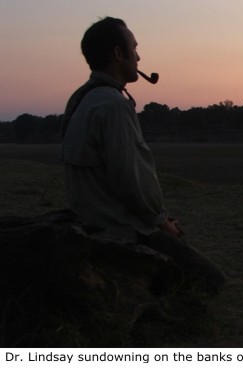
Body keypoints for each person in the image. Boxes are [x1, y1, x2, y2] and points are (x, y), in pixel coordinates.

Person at [60, 17, 224, 295]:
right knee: (209, 278)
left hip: (88, 218)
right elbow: (132, 180)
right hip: (114, 228)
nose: (139, 56)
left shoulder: (80, 98)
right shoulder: (113, 106)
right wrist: (162, 223)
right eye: (134, 49)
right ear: (118, 54)